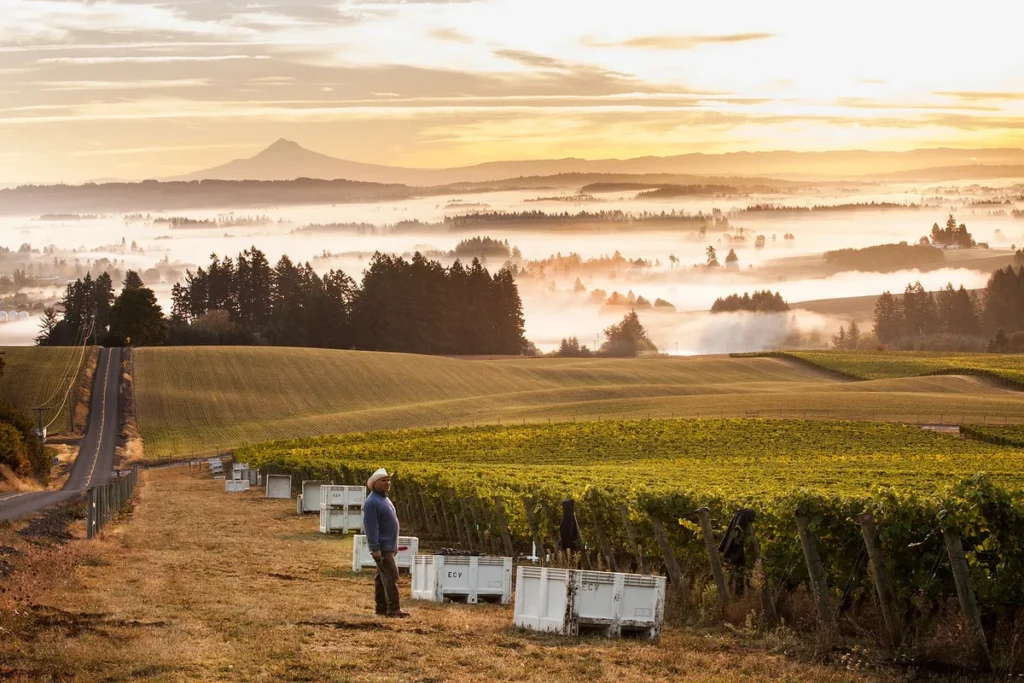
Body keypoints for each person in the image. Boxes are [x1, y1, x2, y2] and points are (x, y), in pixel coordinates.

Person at [363, 468, 409, 618]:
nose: (387, 483)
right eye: (383, 481)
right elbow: (371, 527)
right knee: (391, 576)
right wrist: (375, 548)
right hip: (382, 547)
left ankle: (381, 608)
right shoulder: (372, 502)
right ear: (374, 484)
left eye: (388, 480)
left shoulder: (384, 499)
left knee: (381, 578)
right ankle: (393, 609)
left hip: (389, 546)